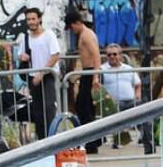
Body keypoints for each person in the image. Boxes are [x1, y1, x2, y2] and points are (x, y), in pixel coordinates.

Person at [15, 8, 60, 140]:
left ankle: (52, 138)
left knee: (49, 107)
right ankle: (42, 140)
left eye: (33, 19)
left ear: (39, 19)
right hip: (32, 77)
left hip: (47, 76)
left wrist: (41, 74)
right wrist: (22, 57)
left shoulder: (49, 35)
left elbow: (55, 56)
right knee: (37, 111)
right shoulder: (26, 38)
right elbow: (20, 54)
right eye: (28, 19)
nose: (31, 22)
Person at [101, 44, 153, 153]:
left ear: (120, 55)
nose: (111, 57)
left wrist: (137, 95)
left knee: (145, 110)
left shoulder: (128, 68)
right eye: (109, 55)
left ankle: (148, 141)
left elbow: (137, 84)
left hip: (131, 101)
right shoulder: (102, 69)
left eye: (114, 54)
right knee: (115, 112)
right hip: (113, 104)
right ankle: (118, 140)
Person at [67, 10, 102, 153]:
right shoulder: (84, 34)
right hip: (87, 73)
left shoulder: (86, 35)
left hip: (90, 73)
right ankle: (93, 139)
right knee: (84, 107)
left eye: (71, 27)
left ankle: (93, 140)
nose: (72, 30)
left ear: (77, 23)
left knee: (84, 107)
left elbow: (96, 56)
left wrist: (95, 76)